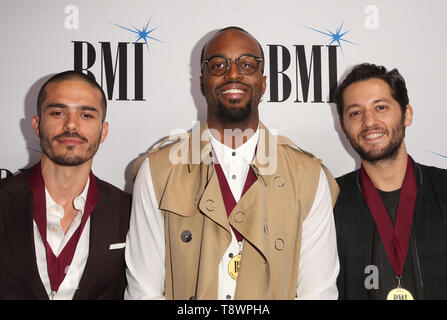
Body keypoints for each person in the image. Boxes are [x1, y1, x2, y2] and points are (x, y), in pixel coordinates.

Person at [125, 26, 340, 300]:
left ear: (263, 83)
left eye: (247, 64)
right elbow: (143, 292)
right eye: (218, 65)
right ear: (202, 83)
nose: (234, 73)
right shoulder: (158, 171)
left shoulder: (307, 176)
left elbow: (318, 293)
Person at [0, 71, 131, 299]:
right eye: (58, 112)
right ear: (37, 124)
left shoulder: (128, 212)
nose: (71, 124)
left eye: (87, 115)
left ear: (103, 131)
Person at [333, 63, 447, 300]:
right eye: (355, 112)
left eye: (381, 107)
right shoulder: (327, 201)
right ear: (343, 128)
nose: (369, 121)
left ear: (407, 115)